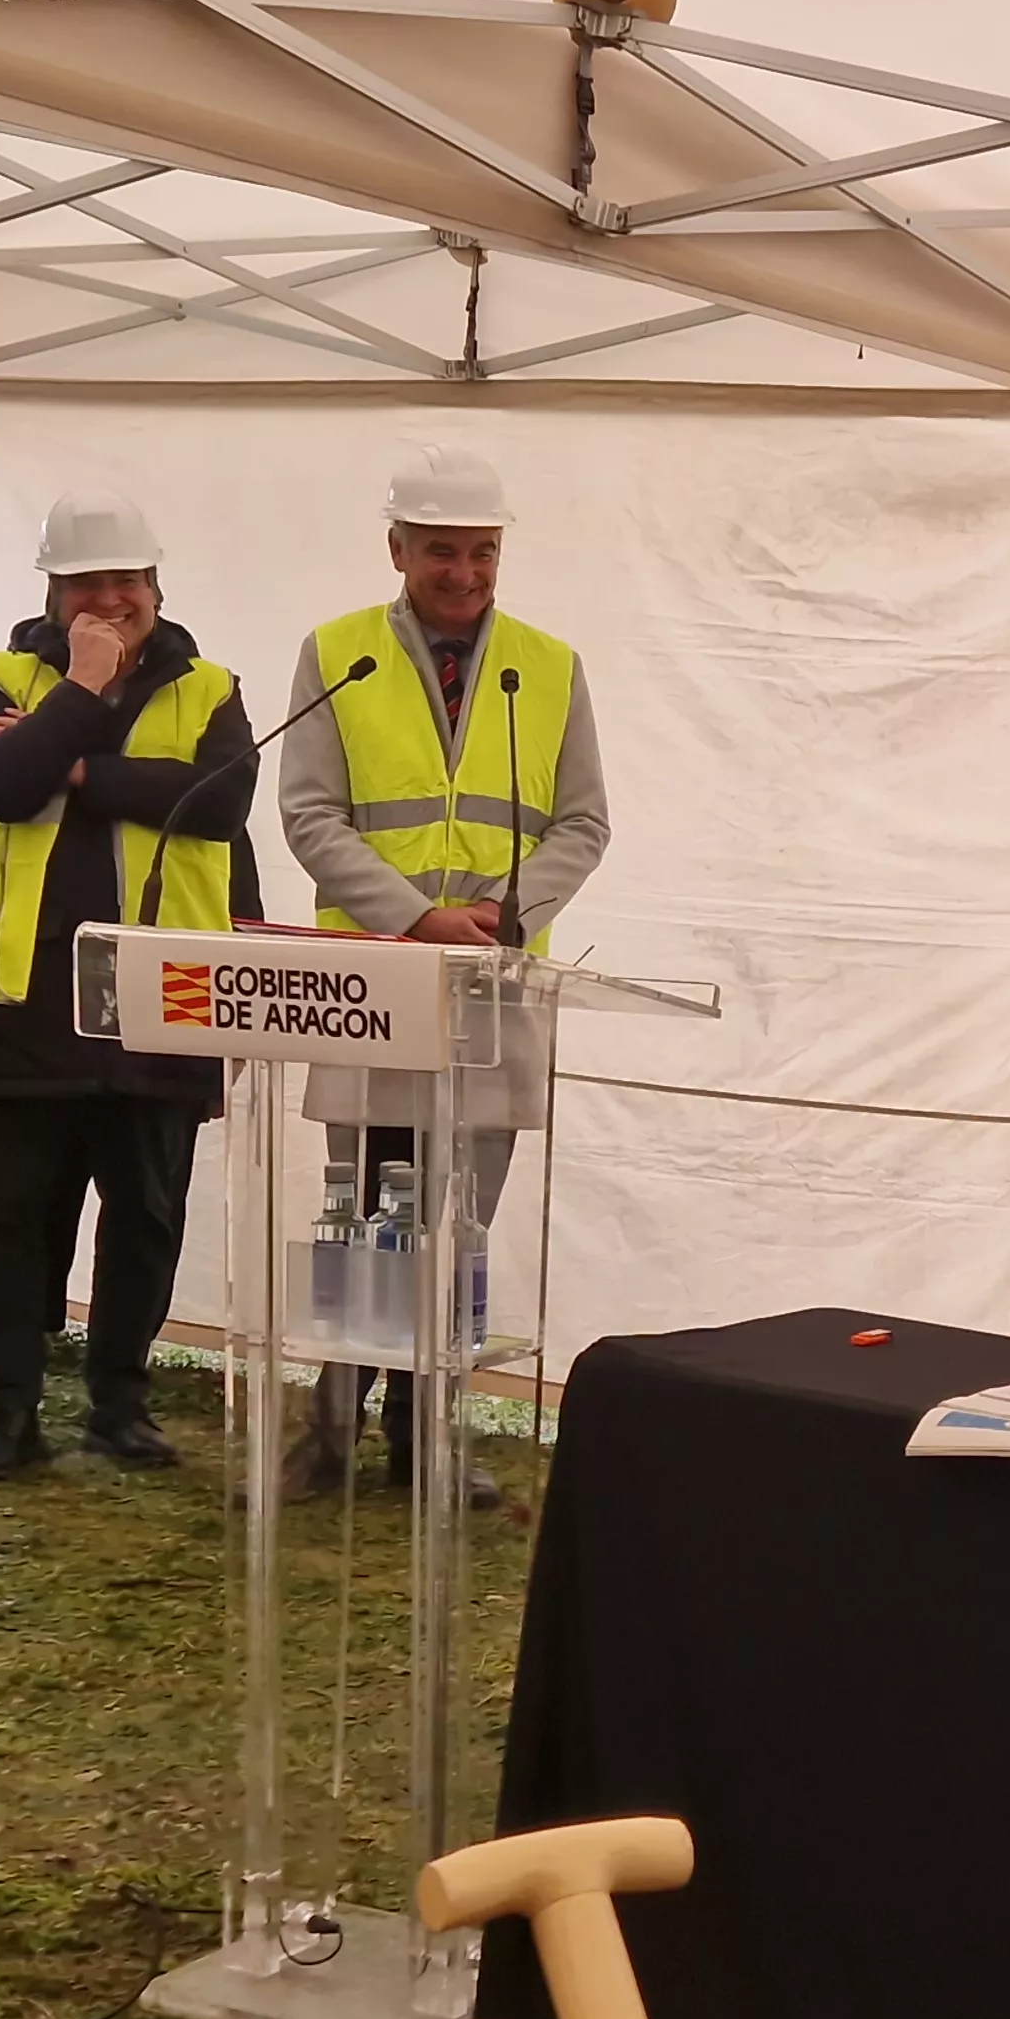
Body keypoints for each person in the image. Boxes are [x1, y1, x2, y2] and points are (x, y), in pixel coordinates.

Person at [276, 444, 612, 1509]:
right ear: (397, 549)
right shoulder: (337, 653)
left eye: (479, 551)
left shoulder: (548, 666)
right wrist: (416, 916)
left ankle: (428, 1441)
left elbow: (584, 822)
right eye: (439, 552)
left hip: (494, 990)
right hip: (375, 981)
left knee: (457, 1223)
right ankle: (328, 1436)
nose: (462, 572)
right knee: (364, 1214)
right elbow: (307, 813)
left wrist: (502, 920)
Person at [0, 490, 259, 1481]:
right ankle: (8, 1412)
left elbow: (216, 804)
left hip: (162, 990)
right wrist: (82, 689)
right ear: (55, 588)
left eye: (127, 580)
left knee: (147, 1208)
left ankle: (120, 1406)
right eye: (90, 582)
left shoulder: (212, 688)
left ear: (157, 585)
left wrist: (73, 765)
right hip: (28, 992)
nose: (112, 598)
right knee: (13, 1213)